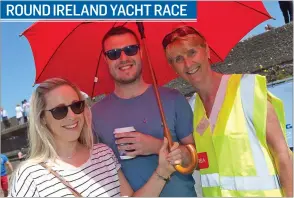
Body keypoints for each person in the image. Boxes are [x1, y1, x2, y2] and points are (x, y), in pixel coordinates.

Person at [162, 25, 293, 197]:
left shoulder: (246, 89)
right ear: (173, 67)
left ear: (207, 50)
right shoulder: (192, 109)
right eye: (178, 59)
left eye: (192, 52)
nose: (187, 63)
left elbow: (282, 154)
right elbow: (204, 162)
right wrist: (184, 155)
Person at [9, 78, 180, 197]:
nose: (72, 116)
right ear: (42, 119)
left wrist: (163, 171)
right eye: (60, 110)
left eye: (77, 106)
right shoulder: (30, 175)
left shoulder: (103, 154)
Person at [91, 26, 197, 197]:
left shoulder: (172, 99)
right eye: (114, 53)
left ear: (140, 52)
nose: (123, 58)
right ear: (106, 60)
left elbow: (197, 160)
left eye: (130, 49)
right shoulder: (95, 115)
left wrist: (155, 146)